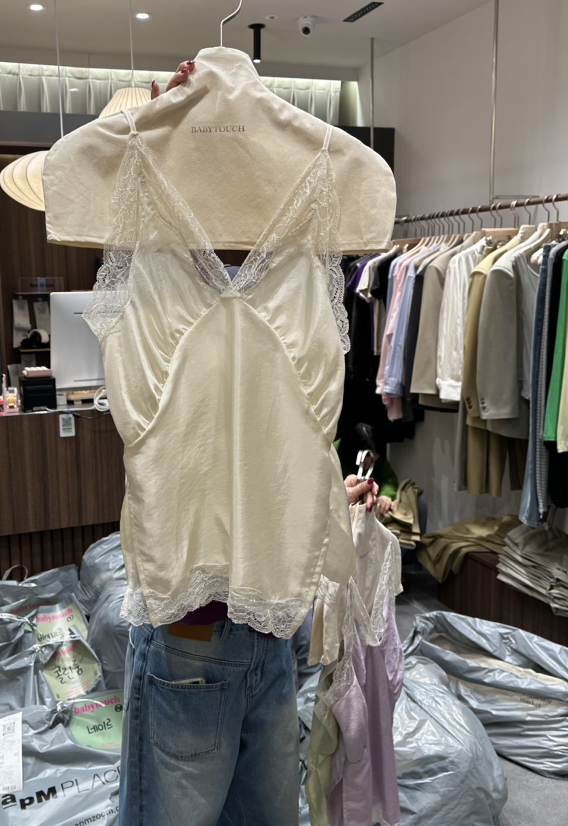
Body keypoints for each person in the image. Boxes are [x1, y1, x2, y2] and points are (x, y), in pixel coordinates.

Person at [119, 59, 381, 826]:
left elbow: (267, 446)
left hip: (265, 626)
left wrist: (325, 502)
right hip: (203, 621)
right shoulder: (157, 237)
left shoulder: (320, 202)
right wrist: (157, 129)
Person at [337, 422, 398, 517]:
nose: (368, 467)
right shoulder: (332, 454)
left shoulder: (377, 453)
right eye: (365, 463)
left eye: (373, 462)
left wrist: (385, 495)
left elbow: (389, 478)